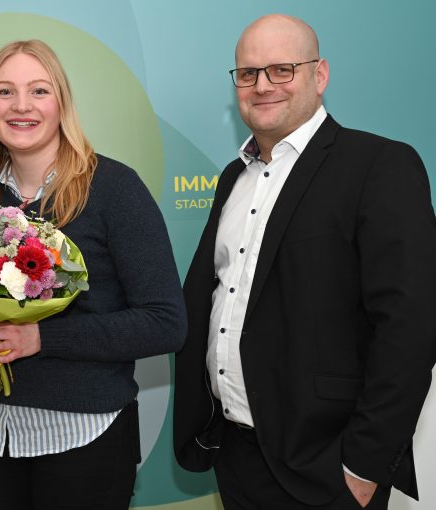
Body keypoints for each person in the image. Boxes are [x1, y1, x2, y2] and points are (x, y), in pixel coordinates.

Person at [173, 14, 436, 510]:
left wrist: (363, 467)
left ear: (320, 75)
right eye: (248, 73)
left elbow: (410, 327)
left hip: (326, 467)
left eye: (282, 69)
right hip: (237, 454)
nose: (262, 85)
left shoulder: (379, 166)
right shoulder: (234, 177)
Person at [0, 40, 187, 510]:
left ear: (62, 102)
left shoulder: (114, 189)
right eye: (4, 92)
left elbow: (165, 322)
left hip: (82, 440)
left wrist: (42, 338)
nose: (21, 106)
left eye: (38, 91)